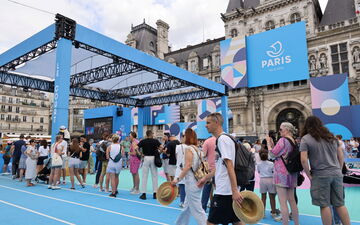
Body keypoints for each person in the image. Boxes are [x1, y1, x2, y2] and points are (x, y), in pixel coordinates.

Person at [300, 116, 350, 225]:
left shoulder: (305, 139)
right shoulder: (332, 137)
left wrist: (309, 175)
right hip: (336, 173)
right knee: (340, 204)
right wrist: (339, 169)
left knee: (324, 205)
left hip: (320, 174)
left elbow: (303, 160)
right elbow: (340, 156)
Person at [198, 112, 244, 225]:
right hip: (226, 190)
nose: (206, 125)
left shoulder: (223, 140)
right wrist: (205, 178)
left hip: (224, 191)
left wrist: (234, 191)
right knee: (236, 221)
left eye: (208, 122)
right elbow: (220, 167)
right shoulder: (222, 139)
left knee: (211, 223)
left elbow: (229, 166)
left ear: (217, 123)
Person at [266, 122, 299, 225]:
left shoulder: (283, 140)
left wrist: (268, 143)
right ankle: (297, 223)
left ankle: (285, 223)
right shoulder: (294, 141)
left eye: (281, 129)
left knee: (283, 202)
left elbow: (272, 154)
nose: (279, 131)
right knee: (292, 201)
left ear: (287, 130)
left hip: (281, 174)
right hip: (292, 173)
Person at [172, 128, 207, 225]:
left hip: (191, 182)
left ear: (187, 137)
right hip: (197, 180)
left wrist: (178, 179)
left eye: (183, 136)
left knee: (197, 210)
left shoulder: (188, 149)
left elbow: (187, 166)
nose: (182, 138)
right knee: (186, 208)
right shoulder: (198, 149)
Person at [137, 130, 162, 200]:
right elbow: (161, 147)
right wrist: (159, 153)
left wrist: (140, 154)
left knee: (144, 176)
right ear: (151, 134)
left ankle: (144, 194)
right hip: (153, 158)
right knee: (154, 176)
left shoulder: (143, 141)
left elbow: (136, 147)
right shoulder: (155, 141)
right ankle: (155, 193)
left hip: (146, 158)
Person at [257, 149, 281, 221]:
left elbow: (259, 172)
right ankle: (273, 212)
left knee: (263, 198)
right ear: (267, 155)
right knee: (272, 197)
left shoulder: (258, 164)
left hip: (262, 181)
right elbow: (274, 171)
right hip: (270, 180)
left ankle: (262, 214)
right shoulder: (271, 163)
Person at [200, 136, 216, 212]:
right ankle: (217, 207)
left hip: (209, 169)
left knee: (206, 189)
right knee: (220, 190)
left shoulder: (207, 141)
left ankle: (203, 207)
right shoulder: (222, 140)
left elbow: (203, 155)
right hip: (220, 170)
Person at [175, 134, 188, 208]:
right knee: (187, 185)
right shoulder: (190, 147)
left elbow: (177, 157)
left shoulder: (178, 147)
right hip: (187, 168)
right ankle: (186, 201)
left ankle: (182, 201)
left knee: (182, 185)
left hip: (180, 168)